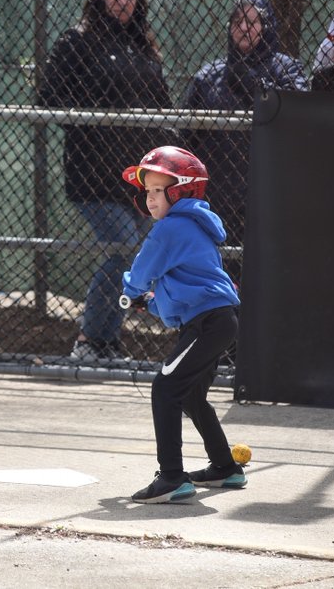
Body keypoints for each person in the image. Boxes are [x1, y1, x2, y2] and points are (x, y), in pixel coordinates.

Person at [38, 0, 175, 361]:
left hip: (135, 175)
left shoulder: (142, 44)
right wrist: (94, 117)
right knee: (124, 247)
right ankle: (88, 340)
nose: (122, 2)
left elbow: (161, 103)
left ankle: (107, 342)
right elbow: (50, 99)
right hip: (93, 171)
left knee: (130, 256)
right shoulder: (78, 41)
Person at [119, 146, 244, 503]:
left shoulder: (170, 229)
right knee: (189, 393)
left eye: (159, 190)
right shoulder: (194, 226)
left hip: (207, 323)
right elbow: (181, 292)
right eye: (148, 190)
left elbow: (143, 271)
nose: (150, 198)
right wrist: (152, 303)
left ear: (182, 191)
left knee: (165, 389)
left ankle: (172, 477)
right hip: (215, 320)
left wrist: (132, 290)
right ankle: (225, 467)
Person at [180, 0, 307, 282]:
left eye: (253, 21)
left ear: (267, 26)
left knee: (263, 272)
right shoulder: (209, 75)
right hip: (219, 193)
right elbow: (187, 138)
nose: (244, 28)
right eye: (238, 21)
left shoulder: (286, 68)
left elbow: (297, 115)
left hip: (267, 190)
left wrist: (255, 88)